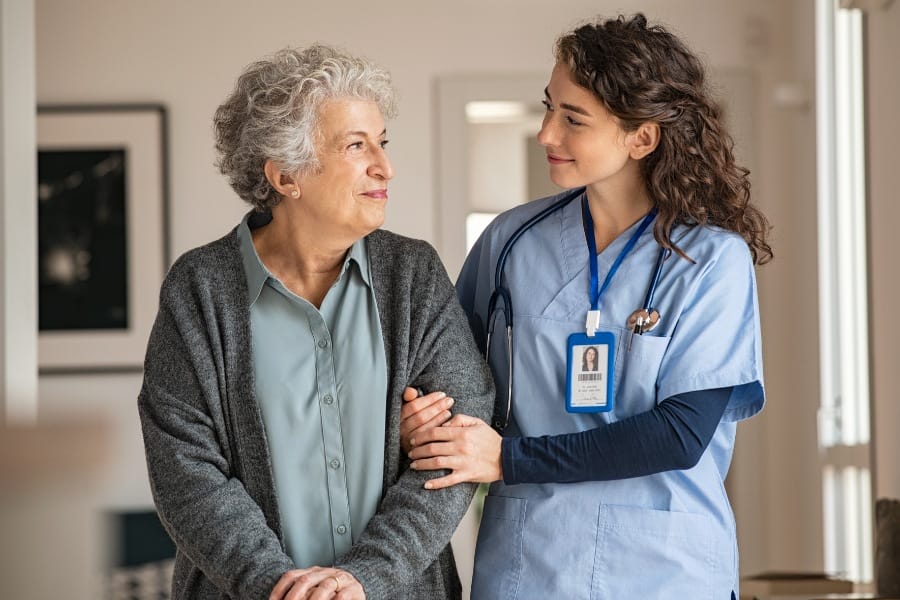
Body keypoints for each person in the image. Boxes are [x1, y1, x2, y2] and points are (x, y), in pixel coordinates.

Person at [403, 14, 771, 599]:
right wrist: (424, 418)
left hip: (665, 573)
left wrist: (509, 460)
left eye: (573, 119)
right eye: (549, 108)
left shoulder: (710, 261)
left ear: (641, 138)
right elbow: (447, 376)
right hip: (530, 565)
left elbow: (679, 434)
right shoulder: (509, 243)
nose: (547, 134)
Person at [137, 44, 493, 600]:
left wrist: (364, 577)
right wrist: (280, 587)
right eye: (356, 145)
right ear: (285, 175)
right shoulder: (200, 289)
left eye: (382, 141)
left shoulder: (413, 274)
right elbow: (185, 471)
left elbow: (457, 446)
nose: (385, 166)